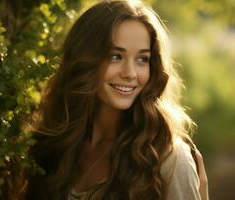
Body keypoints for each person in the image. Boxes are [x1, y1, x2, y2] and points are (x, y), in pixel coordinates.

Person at [25, 0, 208, 199]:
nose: (130, 74)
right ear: (85, 60)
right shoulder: (54, 141)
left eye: (142, 59)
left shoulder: (169, 159)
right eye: (115, 56)